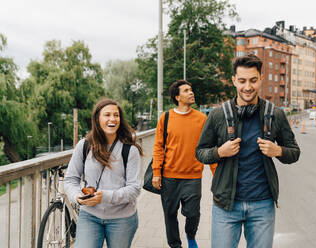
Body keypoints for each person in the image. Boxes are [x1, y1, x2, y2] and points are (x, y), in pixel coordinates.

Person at [196, 55, 300, 248]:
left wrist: (278, 150)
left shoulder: (275, 114)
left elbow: (294, 152)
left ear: (261, 78)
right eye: (242, 81)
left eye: (253, 80)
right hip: (226, 205)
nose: (247, 87)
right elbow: (200, 152)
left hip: (263, 205)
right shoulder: (218, 115)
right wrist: (219, 152)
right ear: (234, 80)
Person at [64, 98, 143, 248]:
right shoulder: (84, 145)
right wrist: (77, 197)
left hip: (122, 218)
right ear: (97, 119)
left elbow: (134, 189)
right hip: (90, 215)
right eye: (107, 115)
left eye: (116, 115)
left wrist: (105, 196)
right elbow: (71, 179)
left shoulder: (130, 150)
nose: (112, 119)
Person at [152, 80, 209, 248]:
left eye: (191, 90)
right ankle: (175, 245)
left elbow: (208, 147)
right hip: (169, 177)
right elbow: (158, 146)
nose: (191, 93)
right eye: (186, 90)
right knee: (170, 214)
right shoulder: (166, 118)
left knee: (193, 214)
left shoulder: (202, 119)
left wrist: (216, 173)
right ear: (177, 97)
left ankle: (191, 236)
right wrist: (156, 172)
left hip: (193, 176)